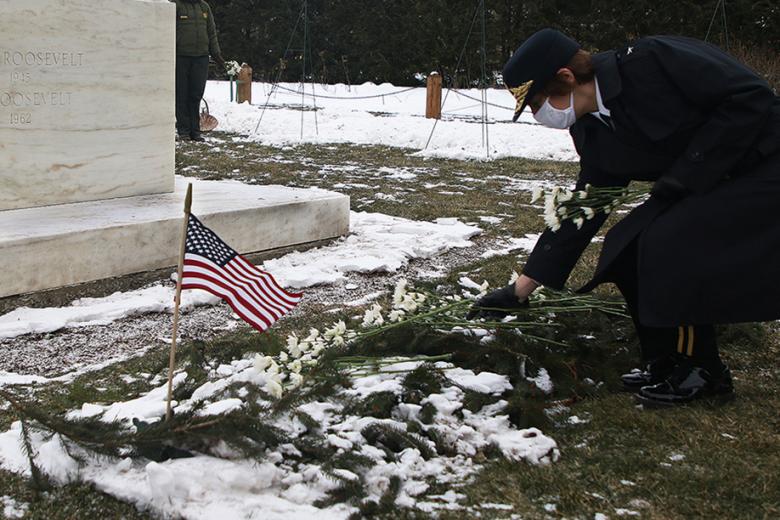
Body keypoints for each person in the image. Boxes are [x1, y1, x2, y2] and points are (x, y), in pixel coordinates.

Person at [470, 28, 780, 407]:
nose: (540, 116)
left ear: (566, 78)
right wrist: (521, 290)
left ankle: (703, 372)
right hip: (706, 182)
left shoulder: (654, 61)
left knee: (668, 239)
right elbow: (587, 206)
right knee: (626, 245)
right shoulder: (590, 127)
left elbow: (750, 96)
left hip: (763, 164)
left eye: (538, 103)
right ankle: (664, 361)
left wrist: (688, 171)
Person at [172, 0, 225, 142]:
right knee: (181, 95)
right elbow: (168, 31)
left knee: (196, 95)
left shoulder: (204, 6)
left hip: (201, 58)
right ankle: (183, 131)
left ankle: (195, 131)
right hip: (180, 57)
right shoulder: (176, 5)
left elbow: (211, 32)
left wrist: (217, 55)